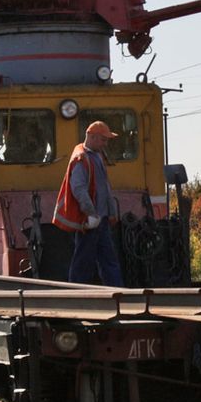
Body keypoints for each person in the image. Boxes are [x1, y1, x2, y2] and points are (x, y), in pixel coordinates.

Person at [52, 121, 124, 286]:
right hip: (89, 221)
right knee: (84, 261)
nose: (106, 143)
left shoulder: (96, 156)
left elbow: (105, 187)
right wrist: (91, 214)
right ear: (92, 137)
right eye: (103, 139)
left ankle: (118, 293)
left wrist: (110, 213)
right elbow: (78, 189)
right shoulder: (81, 158)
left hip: (101, 219)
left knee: (107, 260)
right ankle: (77, 295)